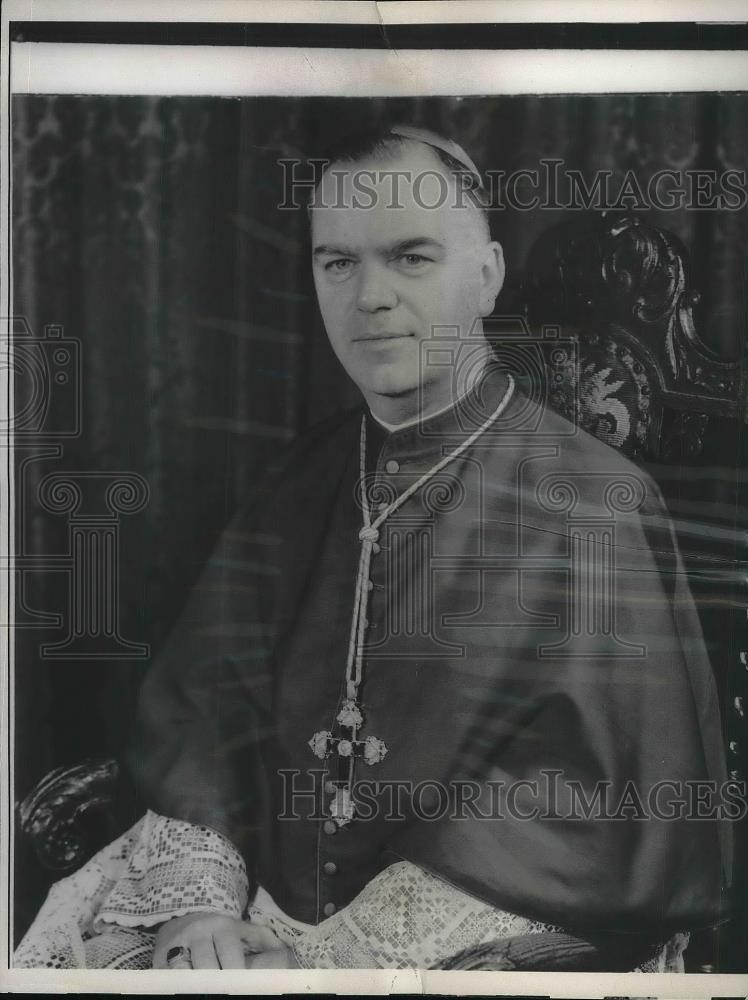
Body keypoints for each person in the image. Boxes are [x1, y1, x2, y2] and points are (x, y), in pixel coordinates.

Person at [15, 125, 731, 971]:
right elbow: (209, 709)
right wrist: (204, 906)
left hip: (474, 938)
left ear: (488, 277)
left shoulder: (596, 503)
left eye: (413, 257)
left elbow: (600, 806)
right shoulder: (303, 477)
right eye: (338, 262)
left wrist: (344, 960)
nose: (370, 297)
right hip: (252, 908)